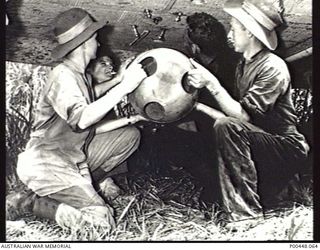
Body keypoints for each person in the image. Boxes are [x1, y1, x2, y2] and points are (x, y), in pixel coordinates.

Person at [6, 8, 147, 230]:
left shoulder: (78, 76)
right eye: (94, 39)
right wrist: (125, 87)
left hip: (70, 159)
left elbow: (93, 94)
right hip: (47, 162)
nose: (98, 44)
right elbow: (81, 119)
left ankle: (79, 189)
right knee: (101, 223)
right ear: (83, 44)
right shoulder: (63, 75)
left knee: (128, 136)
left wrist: (119, 79)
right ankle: (29, 201)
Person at [187, 0, 310, 222]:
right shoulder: (243, 66)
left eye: (234, 28)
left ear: (250, 32)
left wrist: (212, 84)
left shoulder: (272, 66)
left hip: (287, 148)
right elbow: (236, 120)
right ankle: (280, 191)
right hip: (261, 141)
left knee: (226, 127)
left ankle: (246, 219)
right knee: (221, 131)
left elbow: (240, 118)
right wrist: (194, 106)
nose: (229, 35)